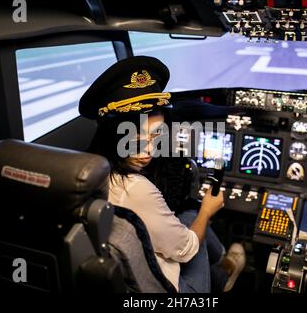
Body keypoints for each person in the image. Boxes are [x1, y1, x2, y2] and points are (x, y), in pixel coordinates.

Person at [79, 55, 245, 293]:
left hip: (129, 280)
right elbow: (186, 250)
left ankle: (222, 267)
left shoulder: (83, 170)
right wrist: (207, 210)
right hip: (169, 289)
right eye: (135, 141)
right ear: (112, 135)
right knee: (192, 216)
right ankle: (225, 271)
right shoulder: (135, 188)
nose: (149, 150)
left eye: (156, 136)